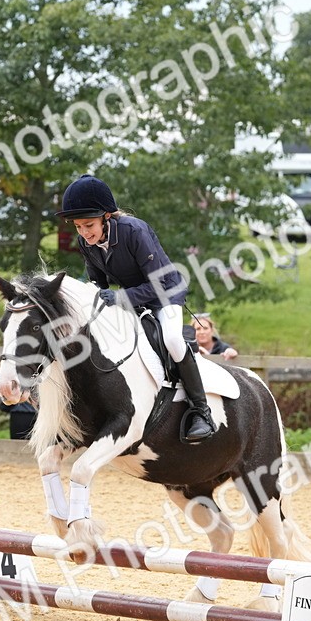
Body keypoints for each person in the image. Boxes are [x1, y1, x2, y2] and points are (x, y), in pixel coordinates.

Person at [58, 174, 213, 441]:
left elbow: (159, 283)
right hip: (131, 298)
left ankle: (201, 411)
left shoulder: (134, 231)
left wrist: (119, 298)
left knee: (172, 339)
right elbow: (97, 282)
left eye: (89, 225)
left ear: (106, 216)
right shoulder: (87, 243)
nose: (84, 233)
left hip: (165, 294)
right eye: (78, 227)